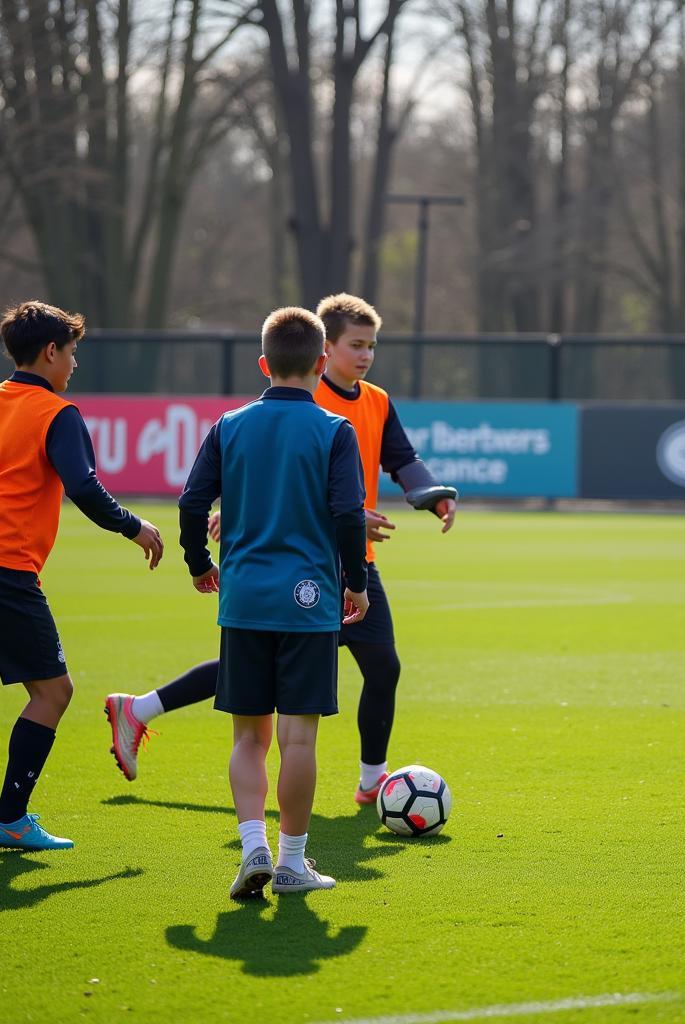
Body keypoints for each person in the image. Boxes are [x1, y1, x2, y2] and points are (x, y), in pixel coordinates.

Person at [105, 294, 457, 805]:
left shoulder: (375, 401)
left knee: (380, 665)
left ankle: (370, 778)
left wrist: (431, 495)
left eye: (371, 346)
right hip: (316, 566)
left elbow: (402, 459)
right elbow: (282, 475)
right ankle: (143, 711)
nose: (365, 356)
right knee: (275, 678)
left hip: (346, 564)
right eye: (355, 345)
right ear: (325, 350)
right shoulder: (308, 404)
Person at [178, 306, 369, 900]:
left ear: (264, 363)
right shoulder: (337, 431)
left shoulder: (229, 426)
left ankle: (252, 848)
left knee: (247, 738)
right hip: (308, 602)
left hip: (244, 601)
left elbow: (190, 504)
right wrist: (356, 582)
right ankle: (291, 862)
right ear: (320, 363)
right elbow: (346, 515)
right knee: (300, 739)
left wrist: (199, 563)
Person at [0, 301, 163, 852]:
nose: (75, 365)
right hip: (4, 566)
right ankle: (11, 818)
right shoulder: (56, 413)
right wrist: (134, 526)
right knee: (53, 692)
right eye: (73, 352)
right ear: (50, 352)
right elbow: (83, 487)